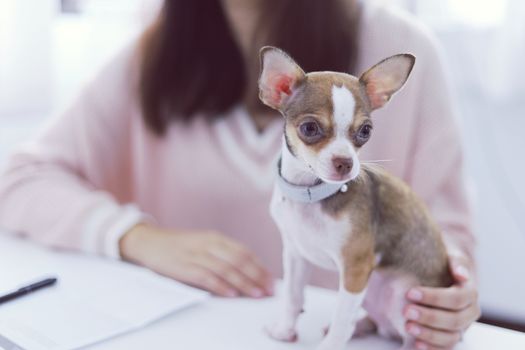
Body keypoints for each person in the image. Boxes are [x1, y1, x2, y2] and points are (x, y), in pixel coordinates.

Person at [0, 0, 480, 348]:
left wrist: (444, 299)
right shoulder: (151, 58)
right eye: (312, 130)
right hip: (185, 333)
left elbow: (445, 240)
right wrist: (136, 236)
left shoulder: (401, 50)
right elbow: (19, 179)